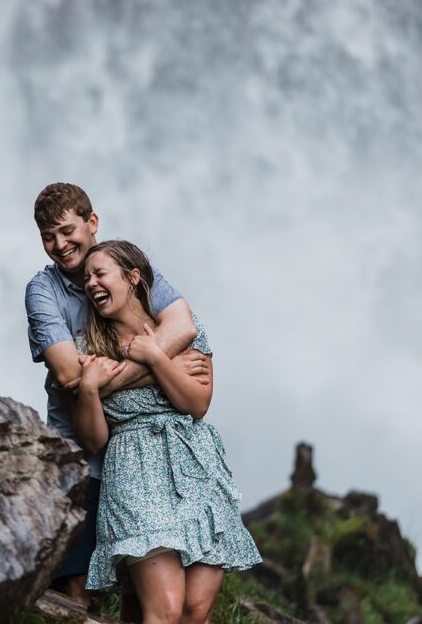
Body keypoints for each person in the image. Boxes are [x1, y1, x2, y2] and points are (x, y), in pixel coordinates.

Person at [25, 183, 207, 611]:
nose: (59, 245)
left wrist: (110, 377)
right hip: (84, 459)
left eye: (67, 231)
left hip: (147, 464)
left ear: (92, 223)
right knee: (80, 592)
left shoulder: (124, 264)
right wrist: (167, 368)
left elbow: (183, 327)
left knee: (140, 600)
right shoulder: (43, 291)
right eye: (48, 237)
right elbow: (72, 376)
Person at [73, 240, 261, 624]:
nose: (91, 283)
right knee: (166, 608)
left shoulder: (183, 329)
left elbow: (197, 404)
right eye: (86, 277)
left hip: (196, 467)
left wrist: (156, 357)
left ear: (132, 278)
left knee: (194, 610)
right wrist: (91, 388)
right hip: (135, 471)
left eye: (100, 273)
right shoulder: (89, 348)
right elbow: (93, 440)